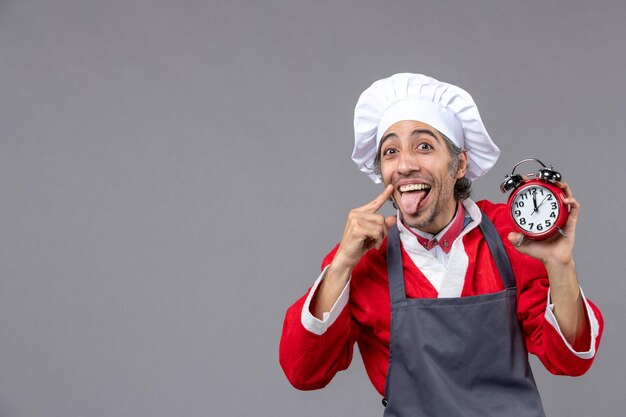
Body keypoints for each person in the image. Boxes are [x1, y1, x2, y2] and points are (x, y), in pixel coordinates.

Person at [279, 73, 603, 417]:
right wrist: (341, 265)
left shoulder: (511, 235)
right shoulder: (362, 256)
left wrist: (559, 264)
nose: (405, 164)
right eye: (391, 151)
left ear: (459, 164)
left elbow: (569, 360)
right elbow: (304, 372)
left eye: (424, 146)